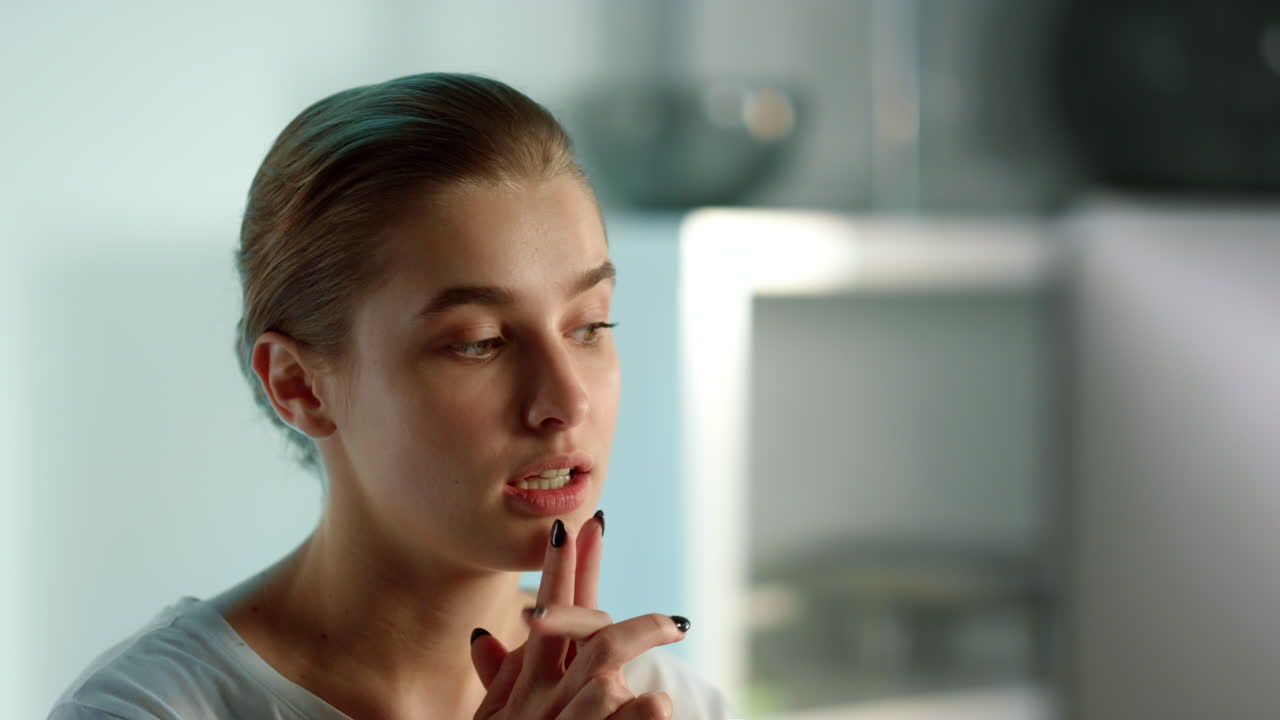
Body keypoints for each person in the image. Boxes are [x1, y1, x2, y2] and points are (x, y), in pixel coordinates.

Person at [48, 73, 727, 720]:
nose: (566, 401)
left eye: (589, 326)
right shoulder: (146, 709)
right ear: (298, 385)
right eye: (479, 342)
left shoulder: (665, 703)